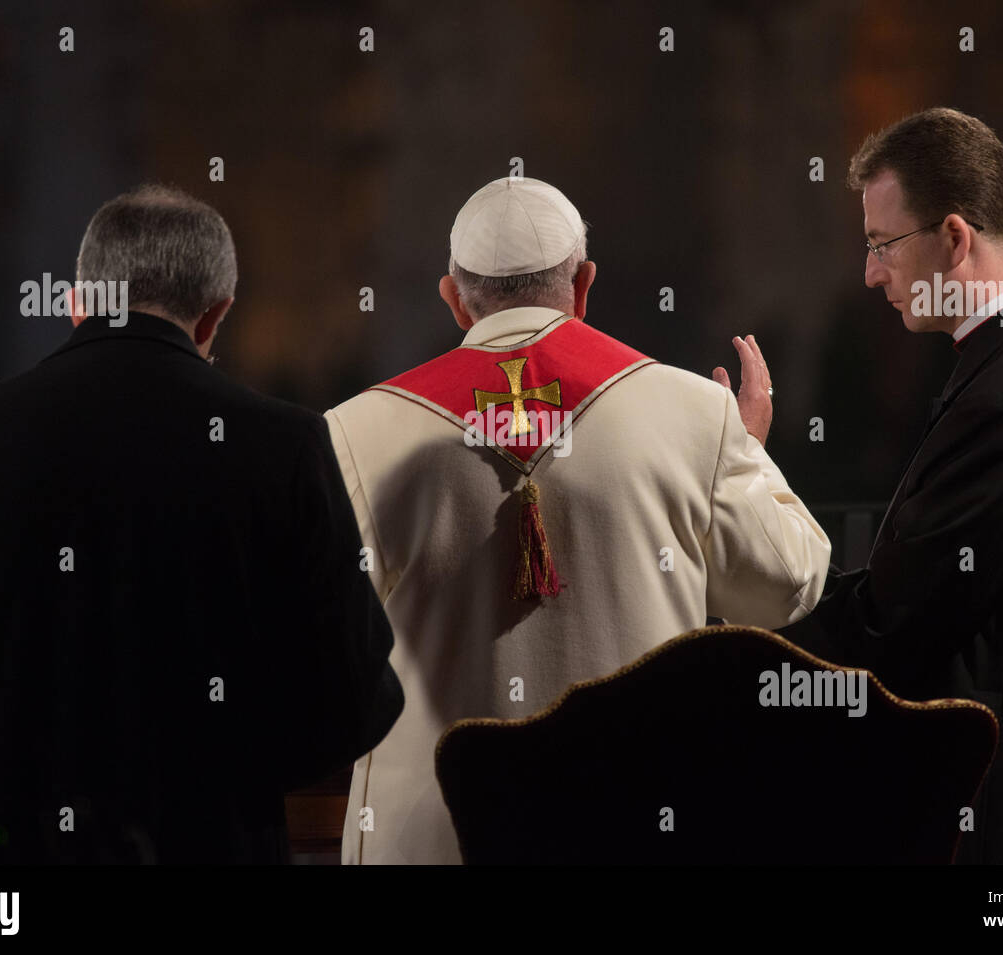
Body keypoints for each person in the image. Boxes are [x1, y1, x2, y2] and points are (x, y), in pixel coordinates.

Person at [0, 184, 404, 863]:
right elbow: (355, 698)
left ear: (76, 304)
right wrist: (238, 772)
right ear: (216, 316)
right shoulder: (284, 447)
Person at [325, 176, 831, 864]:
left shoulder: (354, 431)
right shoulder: (693, 415)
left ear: (453, 298)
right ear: (584, 283)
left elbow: (317, 648)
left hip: (438, 834)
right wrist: (745, 450)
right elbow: (787, 585)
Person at [781, 109, 1003, 864]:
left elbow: (887, 630)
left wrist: (742, 496)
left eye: (883, 244)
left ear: (954, 237)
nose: (871, 272)